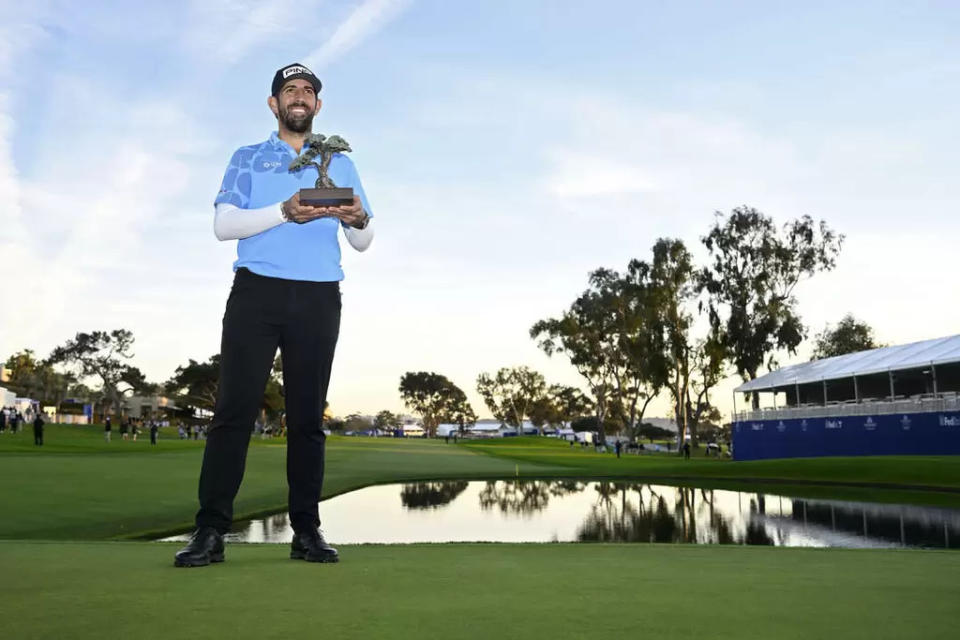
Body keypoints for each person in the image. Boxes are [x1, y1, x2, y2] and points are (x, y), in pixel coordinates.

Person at [175, 63, 374, 568]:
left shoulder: (339, 162)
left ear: (318, 105)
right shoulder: (247, 157)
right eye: (290, 90)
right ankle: (211, 532)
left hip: (319, 296)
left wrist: (358, 218)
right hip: (257, 294)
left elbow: (363, 240)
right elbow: (224, 225)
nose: (300, 97)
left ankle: (306, 531)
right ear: (274, 104)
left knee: (308, 420)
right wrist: (285, 211)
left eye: (308, 90)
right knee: (233, 413)